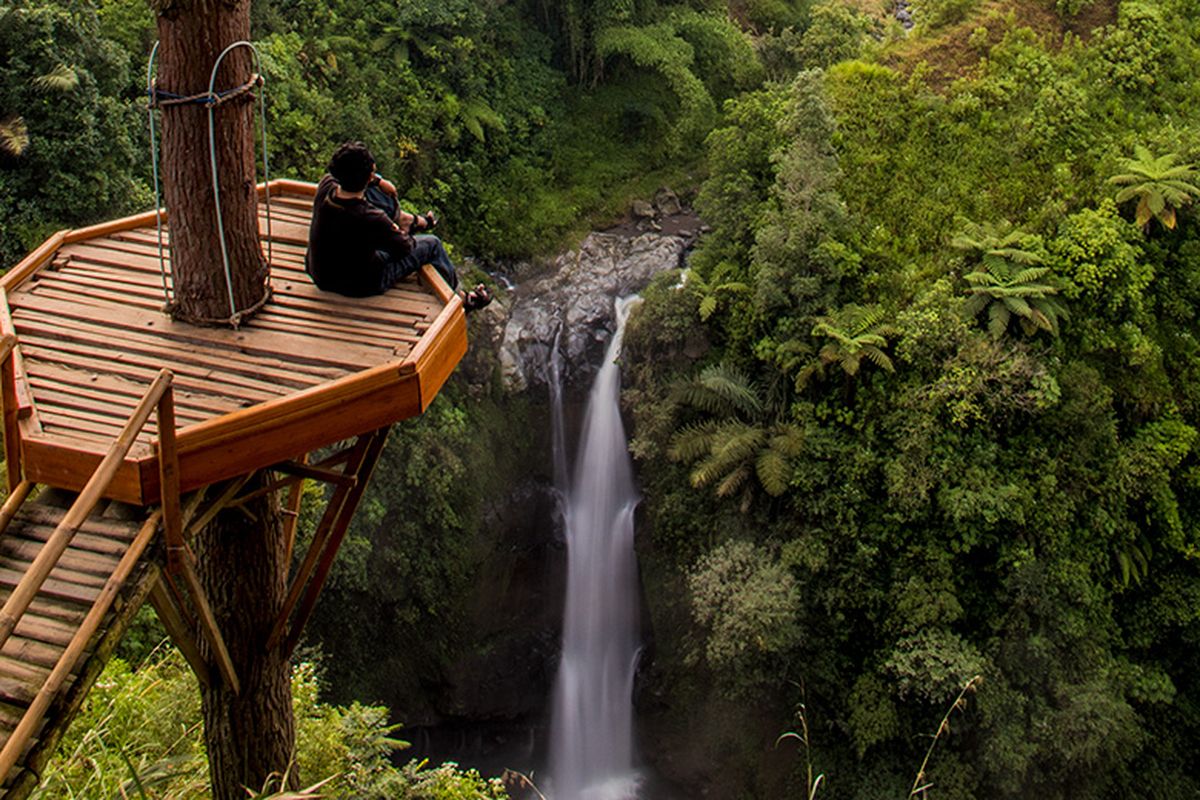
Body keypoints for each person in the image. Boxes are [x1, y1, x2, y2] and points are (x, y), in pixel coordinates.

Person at [305, 141, 491, 310]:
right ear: (369, 176)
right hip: (360, 284)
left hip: (320, 273)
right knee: (432, 245)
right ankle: (461, 300)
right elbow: (404, 248)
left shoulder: (326, 186)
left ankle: (408, 219)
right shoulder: (370, 218)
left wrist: (379, 182)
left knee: (374, 197)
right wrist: (396, 231)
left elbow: (354, 181)